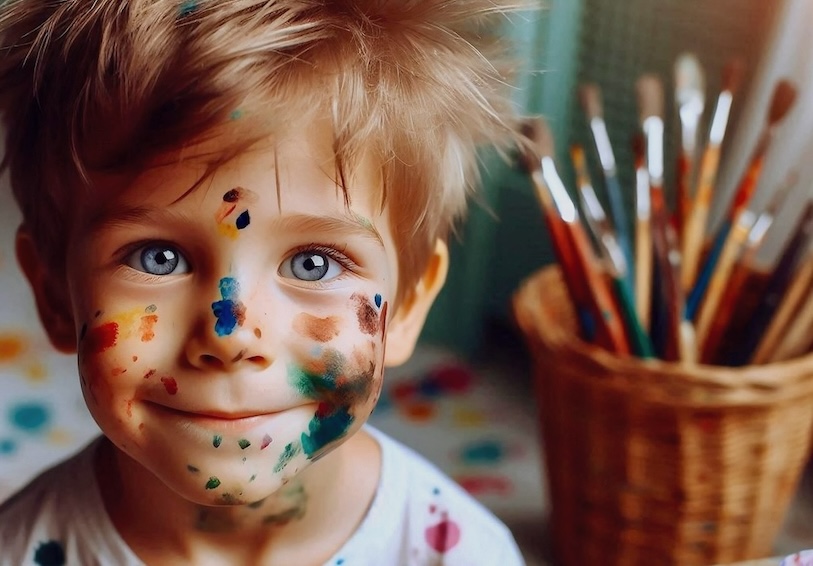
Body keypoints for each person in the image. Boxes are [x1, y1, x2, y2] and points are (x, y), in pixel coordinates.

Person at [0, 0, 529, 564]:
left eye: (314, 264)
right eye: (158, 258)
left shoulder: (463, 553)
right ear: (55, 293)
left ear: (406, 305)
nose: (231, 336)